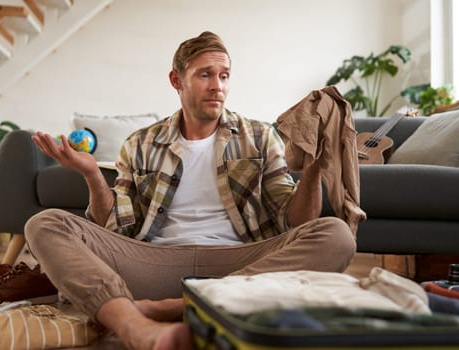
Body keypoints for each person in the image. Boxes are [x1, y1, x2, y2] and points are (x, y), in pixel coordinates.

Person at [26, 31, 356, 350]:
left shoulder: (259, 137)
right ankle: (136, 326)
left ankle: (170, 308)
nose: (217, 86)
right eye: (205, 75)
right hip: (152, 264)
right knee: (46, 223)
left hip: (238, 265)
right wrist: (93, 174)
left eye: (224, 76)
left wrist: (315, 165)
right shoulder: (140, 143)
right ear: (176, 80)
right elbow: (117, 228)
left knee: (336, 235)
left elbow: (294, 222)